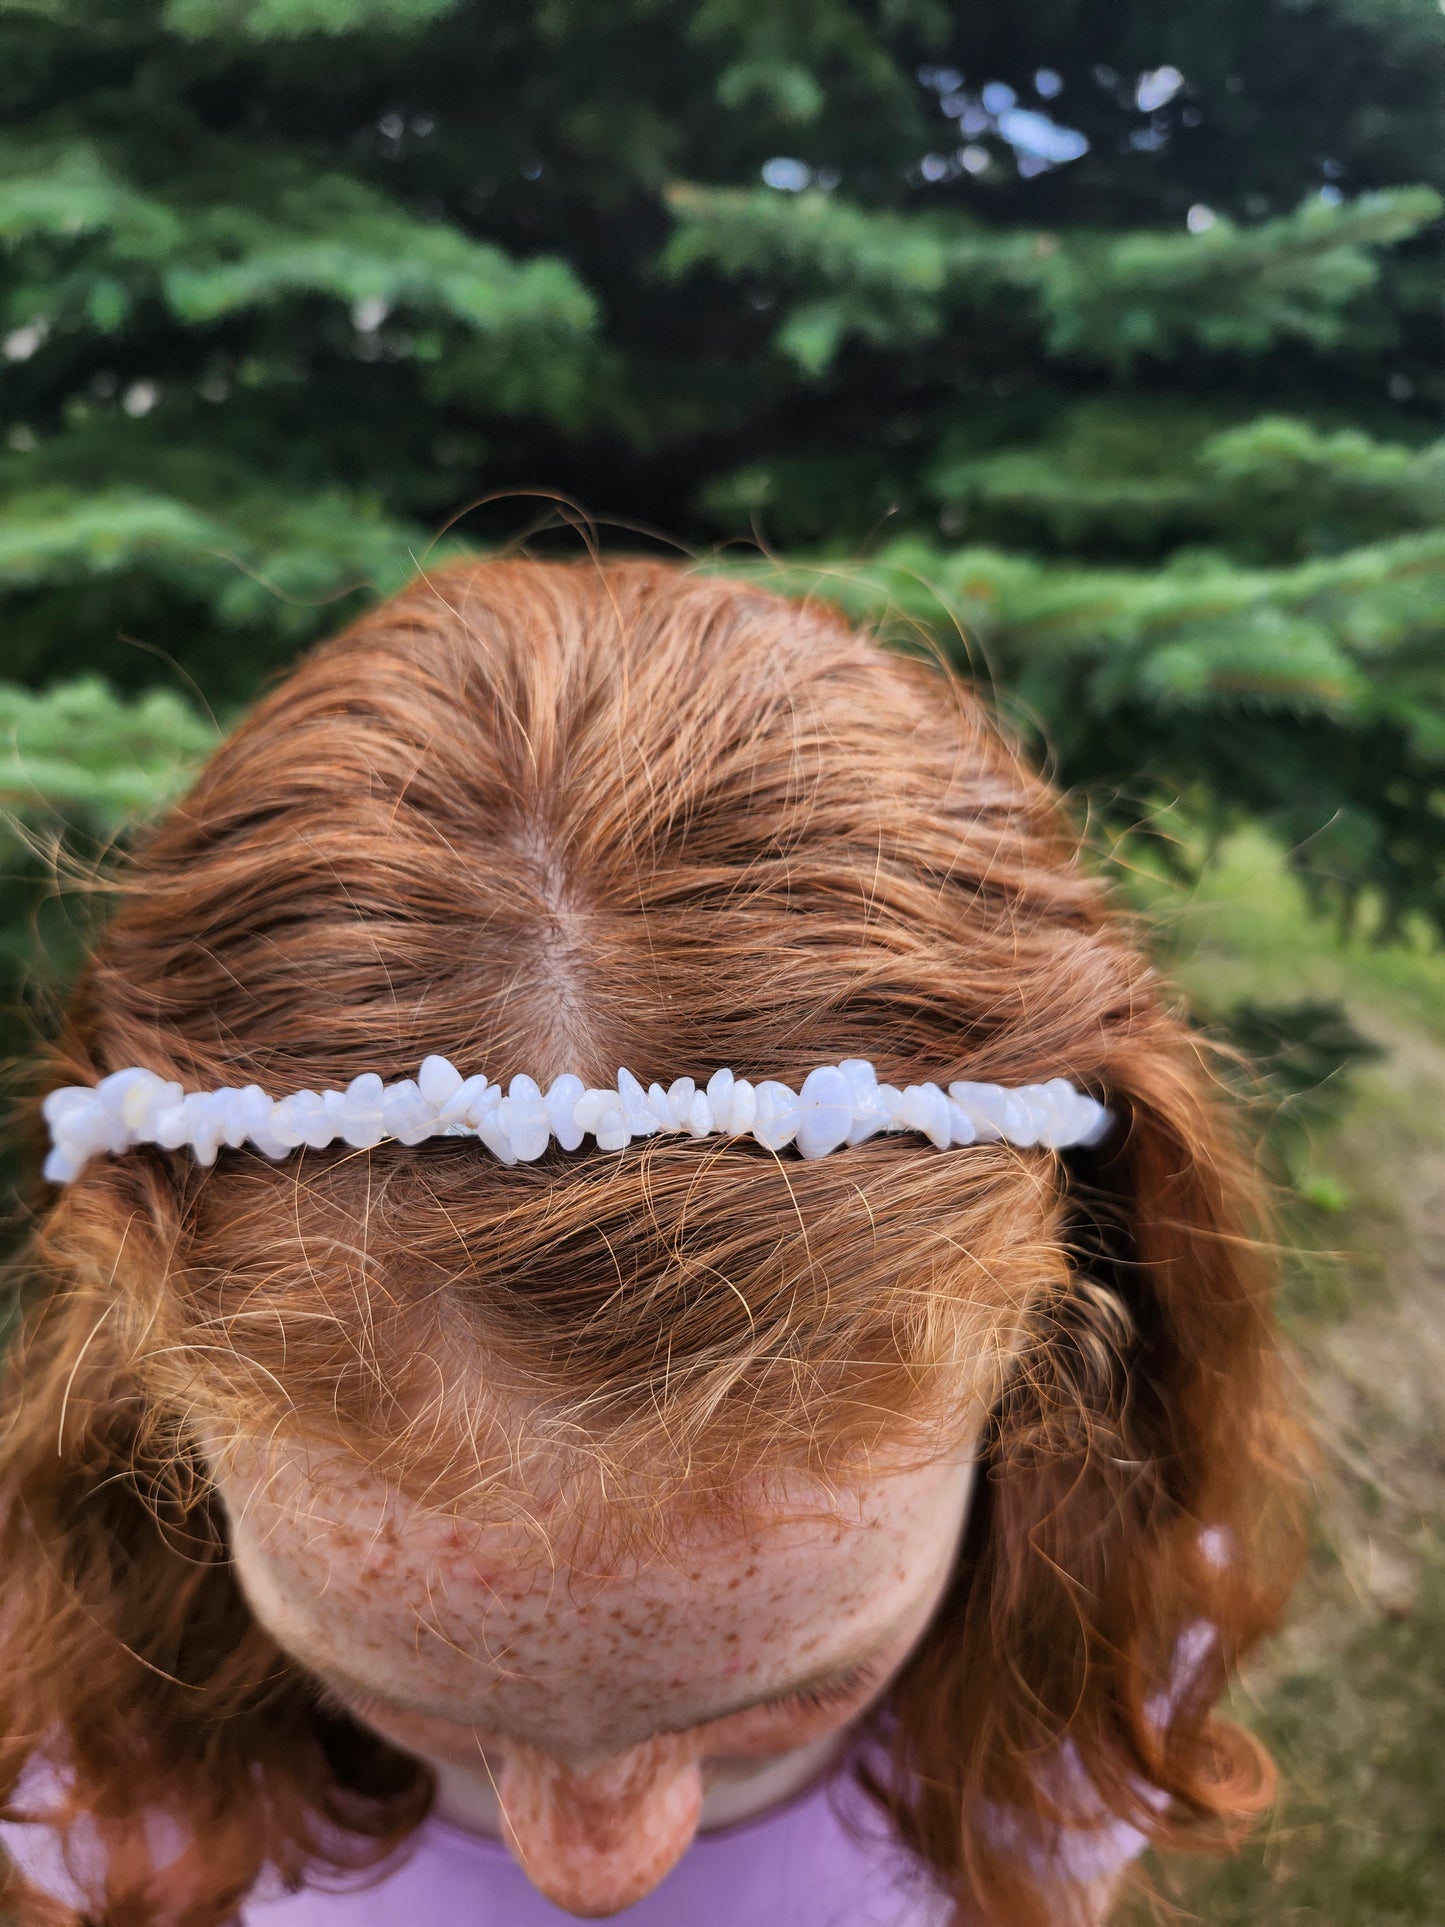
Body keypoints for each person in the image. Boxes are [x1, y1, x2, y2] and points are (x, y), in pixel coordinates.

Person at [0, 560, 1300, 1926]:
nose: (596, 1872)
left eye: (789, 1701)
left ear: (1053, 1336)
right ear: (143, 1368)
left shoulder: (1081, 1663)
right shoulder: (79, 1748)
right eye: (395, 1698)